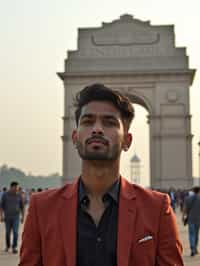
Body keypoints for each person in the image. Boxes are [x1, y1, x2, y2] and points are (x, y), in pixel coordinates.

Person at [19, 84, 183, 265]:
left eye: (109, 122)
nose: (97, 129)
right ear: (74, 137)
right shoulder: (42, 208)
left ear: (127, 141)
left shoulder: (157, 209)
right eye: (88, 121)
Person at [0, 181, 24, 253]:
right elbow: (1, 206)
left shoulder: (19, 195)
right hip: (7, 217)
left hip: (16, 217)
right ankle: (8, 246)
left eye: (17, 188)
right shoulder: (5, 195)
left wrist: (23, 216)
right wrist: (1, 216)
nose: (17, 189)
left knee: (16, 232)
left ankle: (14, 247)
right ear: (12, 187)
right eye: (16, 187)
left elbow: (22, 207)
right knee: (7, 232)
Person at [182, 186, 200, 256]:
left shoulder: (188, 198)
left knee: (191, 234)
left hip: (191, 219)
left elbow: (185, 209)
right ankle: (195, 248)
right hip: (198, 219)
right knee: (196, 234)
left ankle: (192, 248)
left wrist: (183, 216)